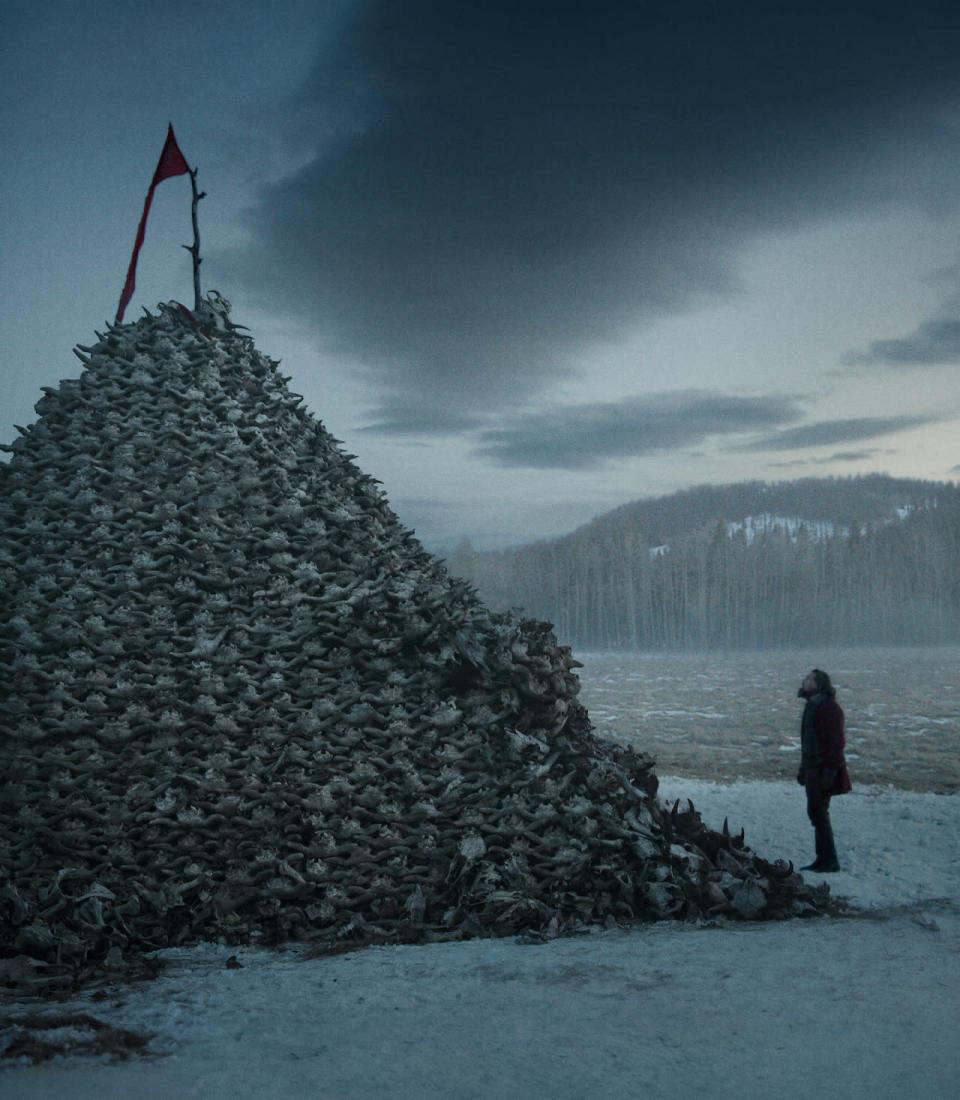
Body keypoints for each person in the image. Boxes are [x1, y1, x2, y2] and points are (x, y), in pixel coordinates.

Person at [796, 668, 851, 872]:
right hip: (813, 768)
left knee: (819, 812)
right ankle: (822, 858)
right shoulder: (813, 706)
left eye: (809, 679)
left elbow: (835, 742)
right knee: (816, 812)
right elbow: (809, 741)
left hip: (821, 769)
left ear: (818, 684)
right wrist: (804, 769)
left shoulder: (828, 708)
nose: (804, 680)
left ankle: (829, 860)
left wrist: (829, 771)